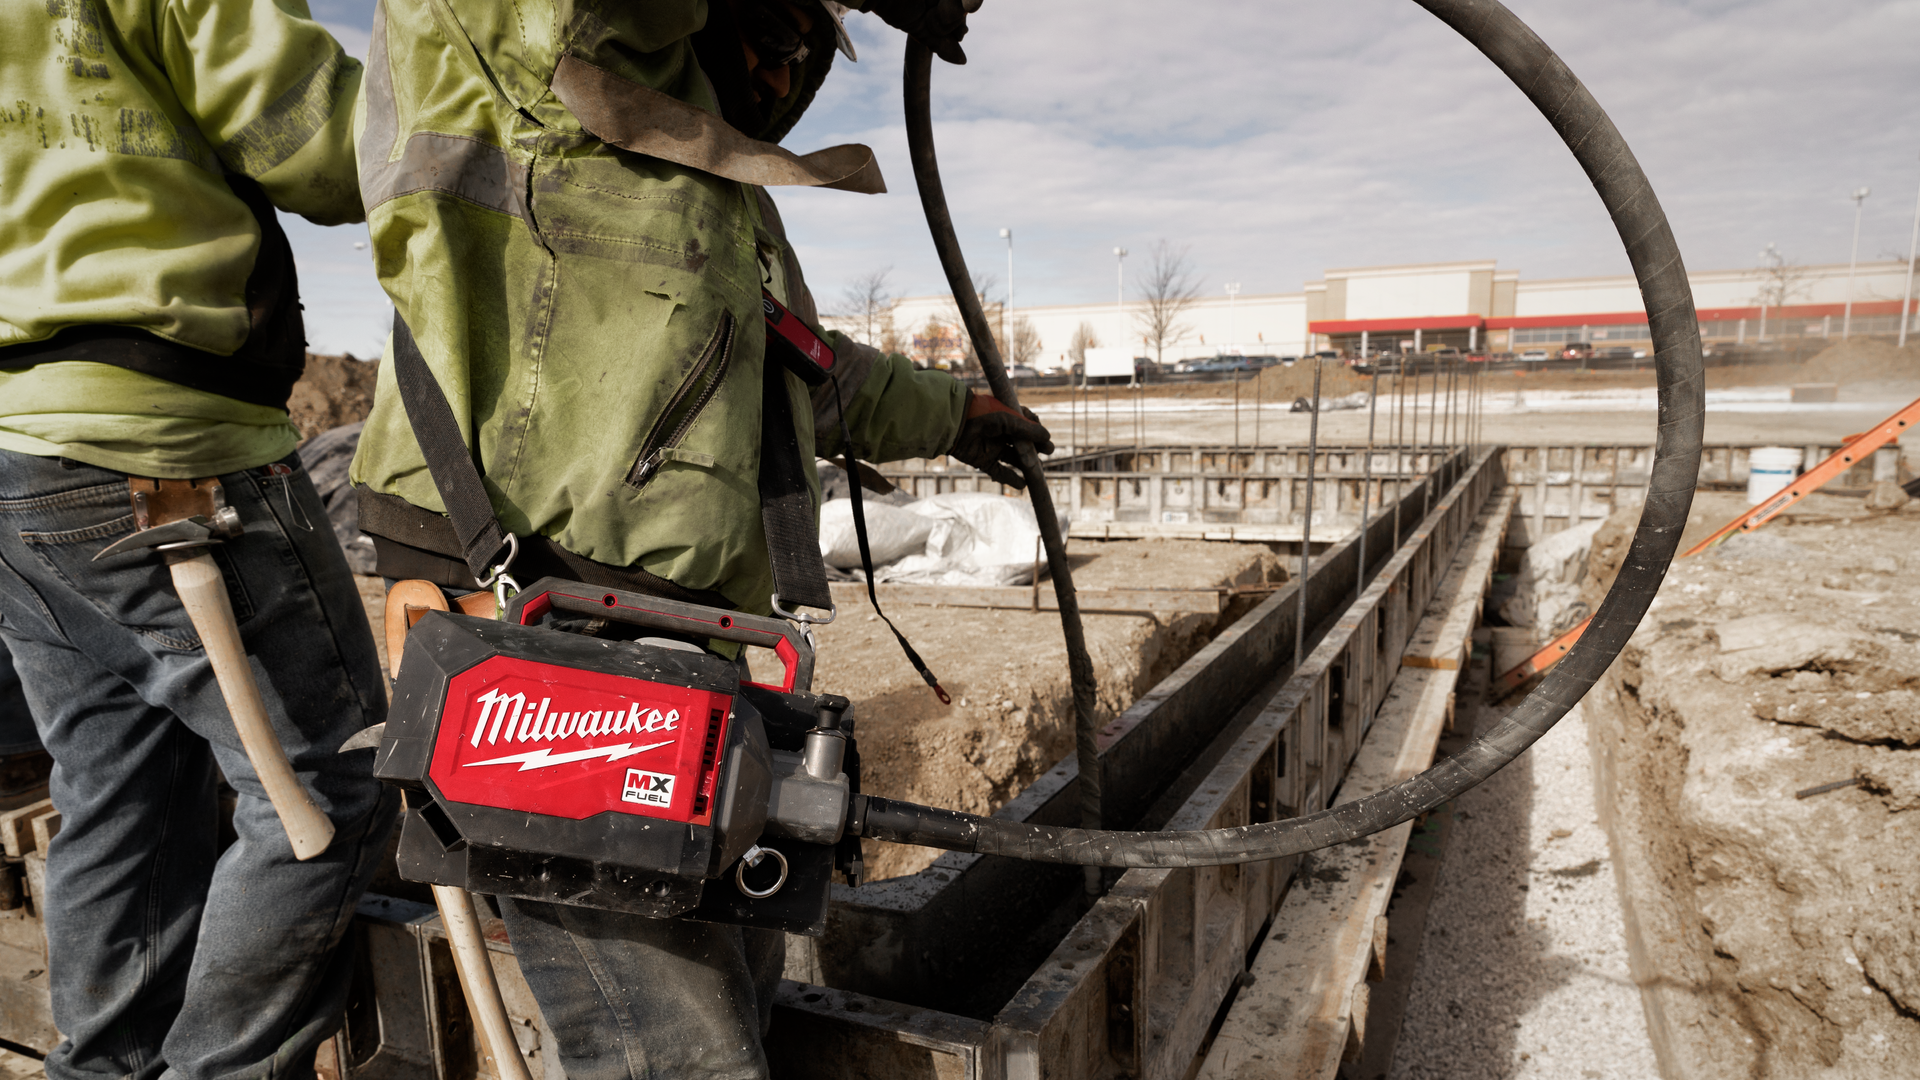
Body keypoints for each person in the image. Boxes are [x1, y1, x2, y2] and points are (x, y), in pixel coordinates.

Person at [348, 0, 1046, 1074]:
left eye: (801, 54)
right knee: (679, 1053)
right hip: (542, 615)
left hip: (682, 646)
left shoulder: (716, 195)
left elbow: (804, 370)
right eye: (773, 33)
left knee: (734, 1003)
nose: (780, 78)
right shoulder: (529, 69)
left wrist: (957, 416)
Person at [0, 1, 397, 1074]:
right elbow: (333, 150)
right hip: (164, 445)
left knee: (122, 784)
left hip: (18, 455)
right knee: (328, 794)